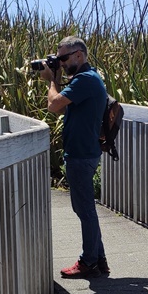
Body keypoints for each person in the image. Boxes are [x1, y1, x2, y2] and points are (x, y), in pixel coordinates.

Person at [40, 36, 110, 278]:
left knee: (85, 210)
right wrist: (58, 78)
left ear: (79, 55)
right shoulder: (85, 79)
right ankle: (98, 259)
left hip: (81, 154)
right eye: (58, 59)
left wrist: (51, 81)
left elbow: (53, 105)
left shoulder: (86, 80)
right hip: (83, 152)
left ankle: (89, 261)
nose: (60, 62)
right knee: (85, 209)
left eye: (63, 58)